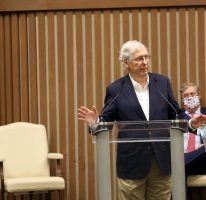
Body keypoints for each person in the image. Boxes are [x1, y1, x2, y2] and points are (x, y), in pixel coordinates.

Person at [78, 40, 206, 200]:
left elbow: (177, 114)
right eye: (139, 58)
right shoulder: (116, 89)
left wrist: (190, 123)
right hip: (132, 163)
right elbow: (106, 124)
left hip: (162, 162)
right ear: (126, 62)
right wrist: (95, 122)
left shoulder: (162, 83)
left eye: (146, 57)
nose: (145, 62)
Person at [180, 82, 206, 175]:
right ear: (182, 101)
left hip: (203, 159)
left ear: (199, 96)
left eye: (192, 94)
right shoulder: (176, 117)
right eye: (186, 95)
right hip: (183, 158)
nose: (189, 97)